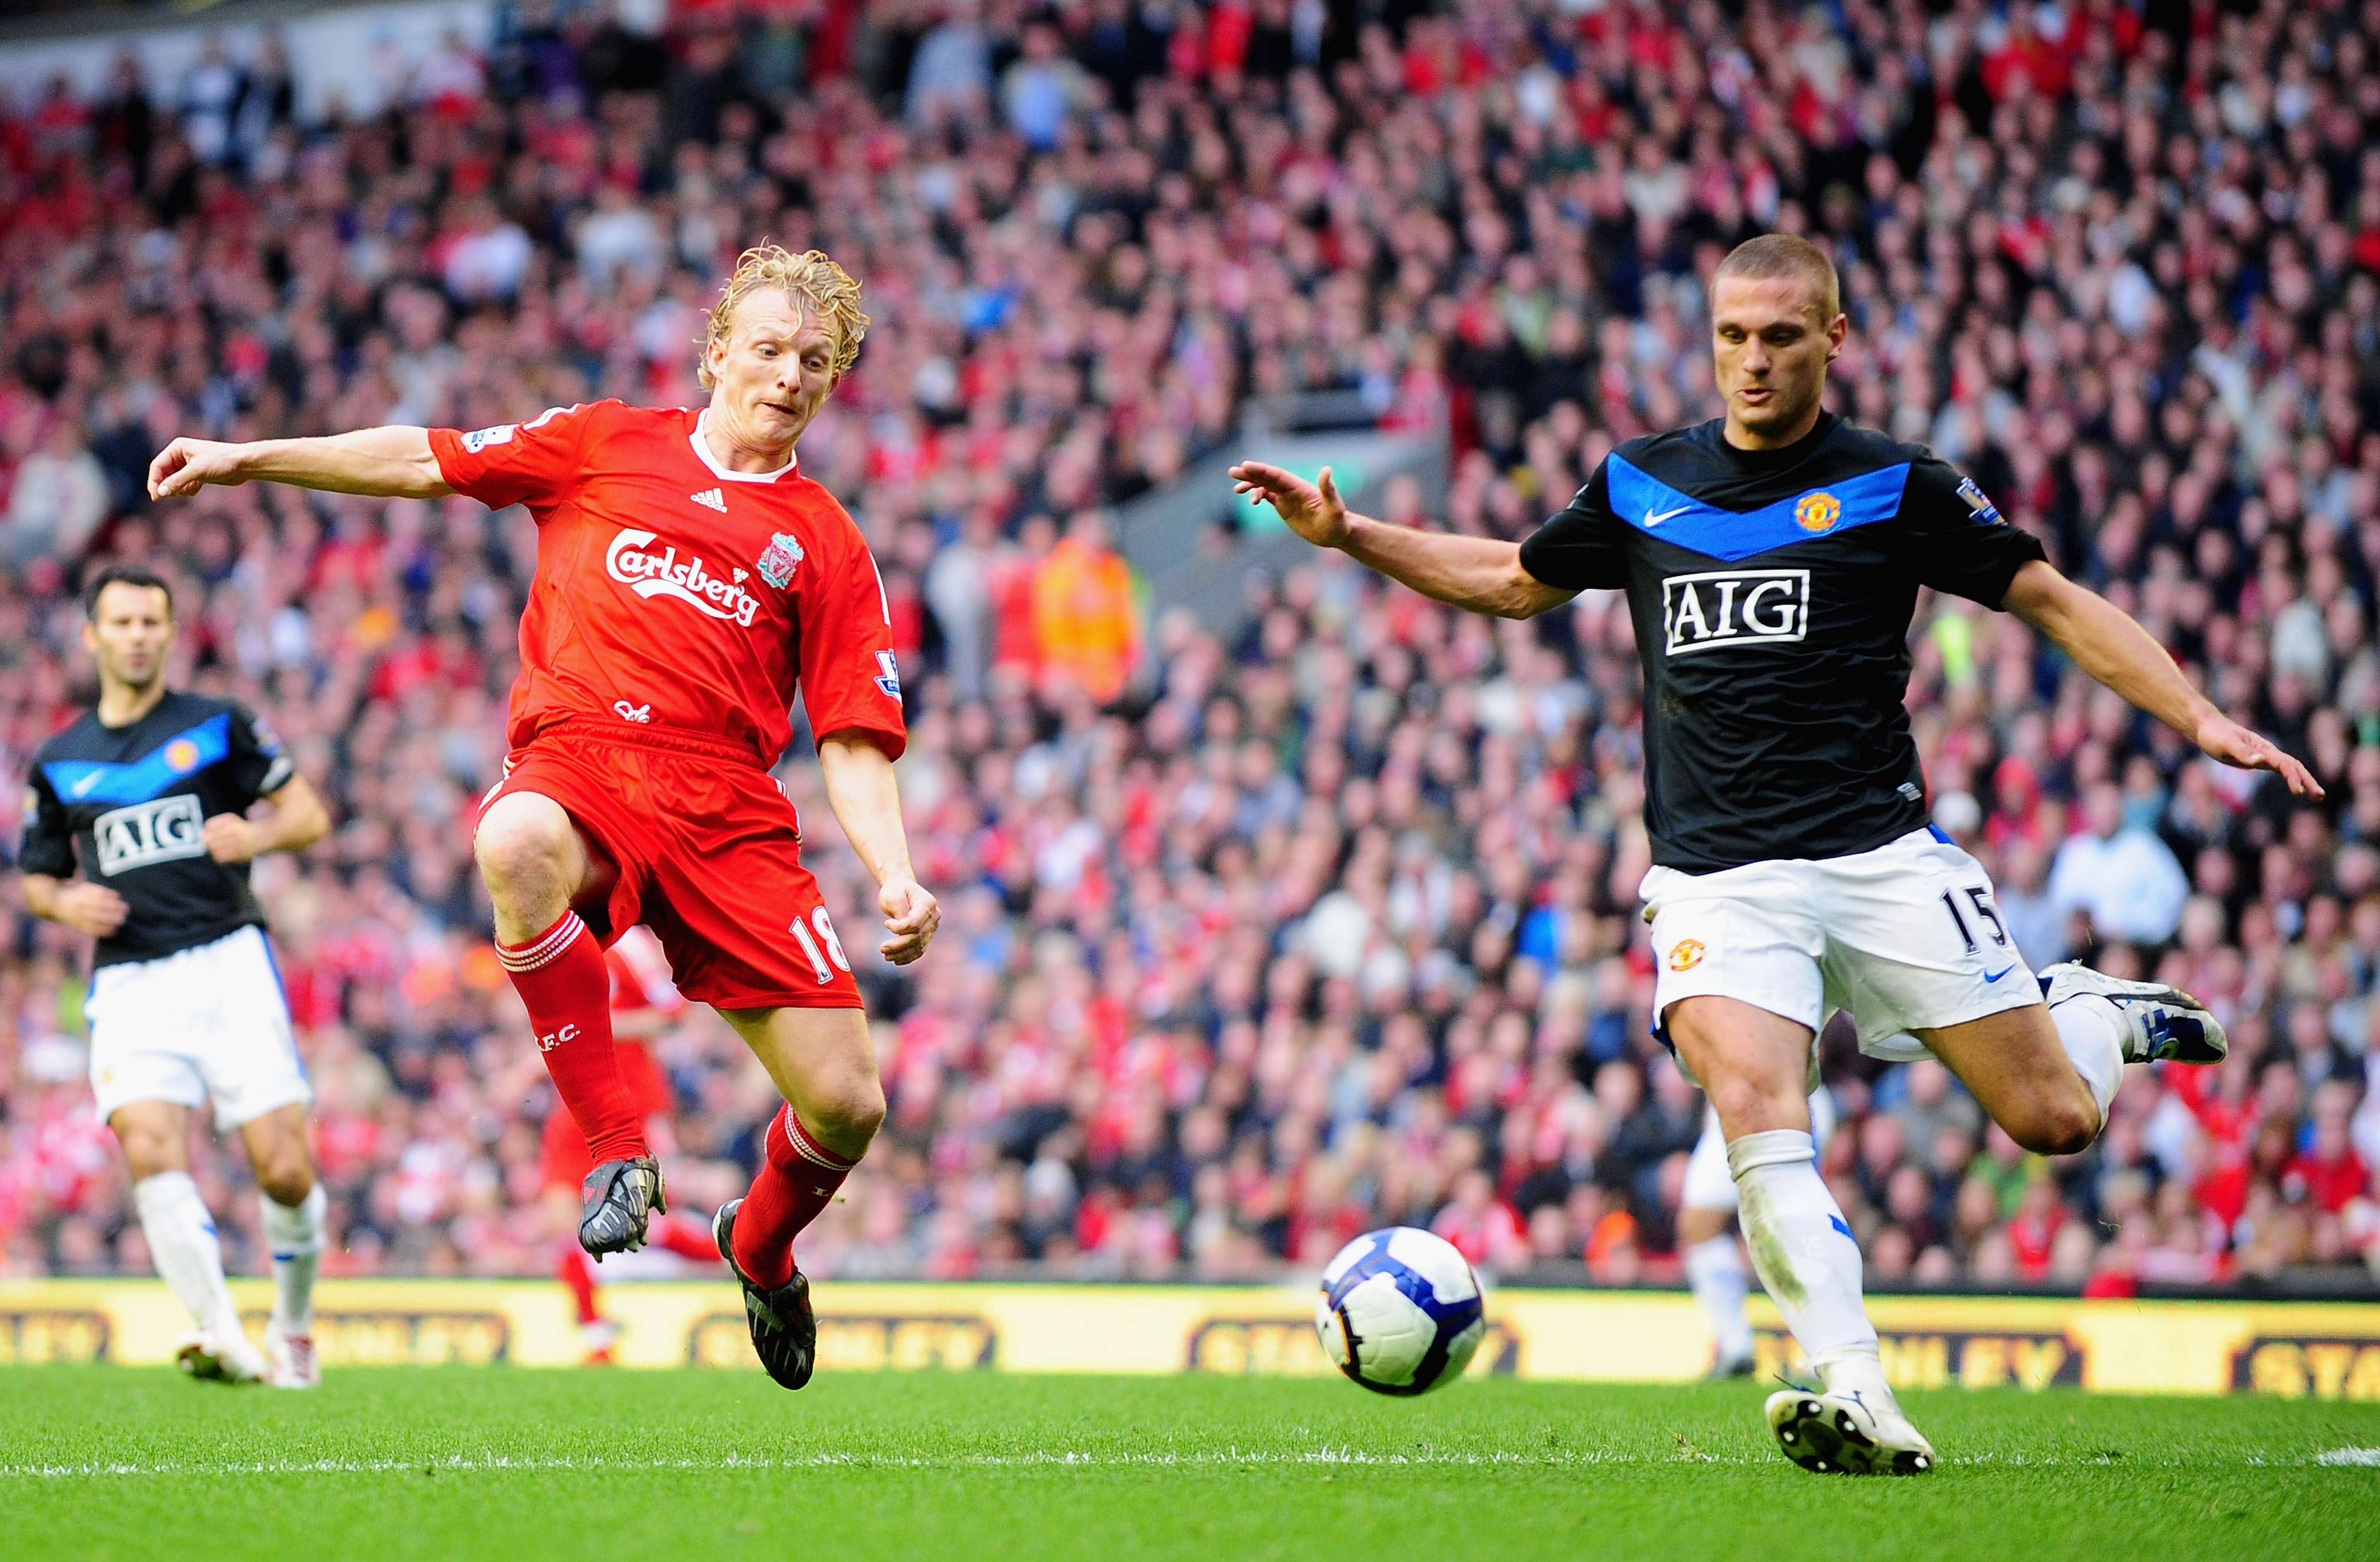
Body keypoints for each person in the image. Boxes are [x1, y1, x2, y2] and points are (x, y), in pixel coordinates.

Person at [1230, 233, 2320, 1475]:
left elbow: (2051, 600)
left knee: (2053, 1119)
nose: (1752, 360)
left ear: (1831, 339)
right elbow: (1511, 580)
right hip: (1714, 877)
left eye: (1780, 337)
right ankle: (1852, 1383)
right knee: (1755, 1108)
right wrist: (1349, 532)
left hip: (1879, 856)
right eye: (1731, 336)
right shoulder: (1641, 482)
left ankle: (2087, 1016)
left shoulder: (1895, 482)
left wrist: (2197, 717)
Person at [146, 244, 940, 1391]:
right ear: (716, 354)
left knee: (848, 1105)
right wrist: (248, 458)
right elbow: (425, 458)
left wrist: (893, 872)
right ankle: (617, 1152)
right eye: (768, 349)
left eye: (814, 362)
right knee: (512, 838)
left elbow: (853, 735)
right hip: (587, 760)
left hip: (728, 810)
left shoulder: (825, 539)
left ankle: (761, 1246)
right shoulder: (603, 442)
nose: (788, 375)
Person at [18, 564, 332, 1387]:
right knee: (149, 1145)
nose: (137, 636)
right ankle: (222, 1333)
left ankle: (293, 1326)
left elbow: (308, 814)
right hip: (131, 979)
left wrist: (257, 838)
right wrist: (65, 904)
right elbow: (37, 879)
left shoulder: (219, 724)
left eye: (150, 622)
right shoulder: (59, 761)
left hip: (228, 960)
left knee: (285, 1170)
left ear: (170, 632)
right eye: (121, 622)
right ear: (92, 636)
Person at [540, 925, 722, 1363]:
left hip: (628, 1097)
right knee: (560, 1221)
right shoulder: (554, 942)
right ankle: (597, 1338)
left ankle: (732, 1252)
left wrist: (596, 1028)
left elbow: (670, 1012)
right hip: (575, 1101)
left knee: (640, 1220)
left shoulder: (629, 945)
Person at [1679, 1084, 1836, 1378]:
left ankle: (1824, 1348)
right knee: (1697, 1226)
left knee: (1795, 1229)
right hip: (1732, 1099)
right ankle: (1734, 1346)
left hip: (1786, 1098)